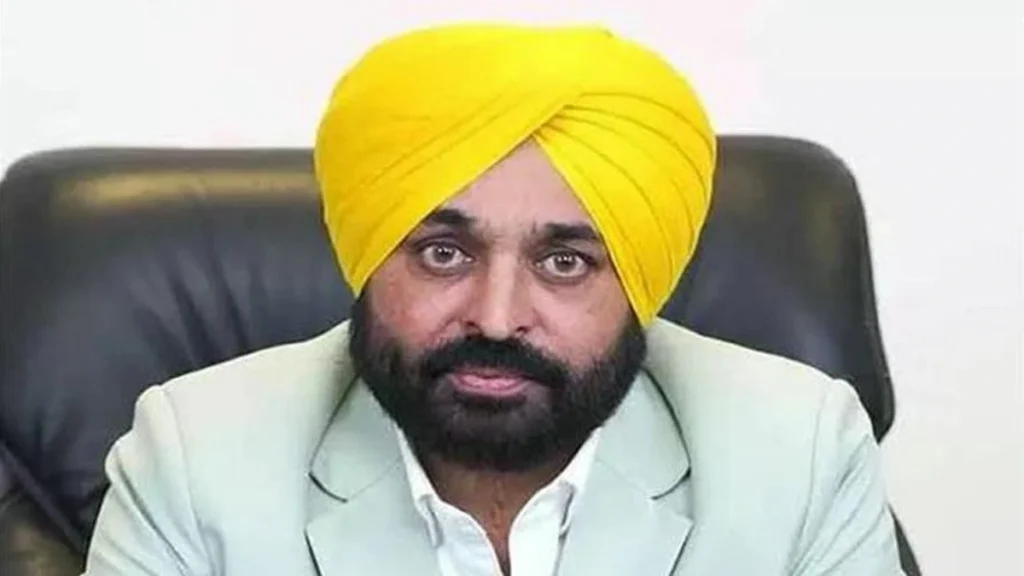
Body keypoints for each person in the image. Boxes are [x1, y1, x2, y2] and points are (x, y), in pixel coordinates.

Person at [82, 23, 905, 576]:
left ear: (640, 282)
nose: (497, 316)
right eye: (443, 254)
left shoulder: (797, 455)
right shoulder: (197, 458)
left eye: (565, 263)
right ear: (366, 257)